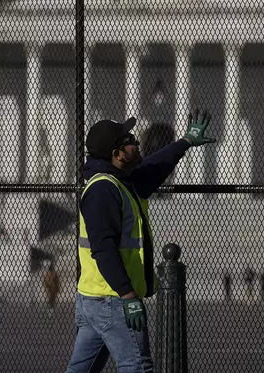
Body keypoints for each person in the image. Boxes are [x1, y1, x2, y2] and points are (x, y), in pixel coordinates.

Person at [64, 111, 215, 373]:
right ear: (117, 154)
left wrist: (186, 141)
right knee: (138, 366)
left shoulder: (120, 182)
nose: (138, 141)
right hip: (112, 299)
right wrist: (128, 296)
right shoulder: (103, 190)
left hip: (96, 298)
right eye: (130, 139)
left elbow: (155, 167)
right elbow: (103, 250)